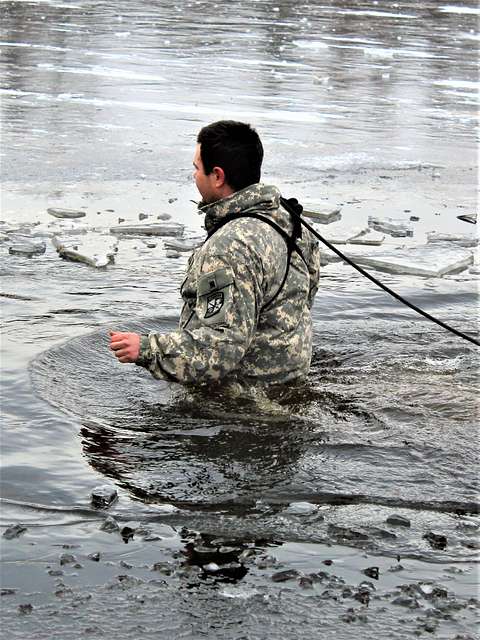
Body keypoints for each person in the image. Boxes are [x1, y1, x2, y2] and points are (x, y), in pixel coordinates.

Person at [110, 120, 320, 387]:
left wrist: (146, 349)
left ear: (218, 176)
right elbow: (306, 294)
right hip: (291, 379)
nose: (194, 176)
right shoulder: (288, 219)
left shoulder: (228, 248)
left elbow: (219, 350)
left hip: (246, 398)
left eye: (197, 168)